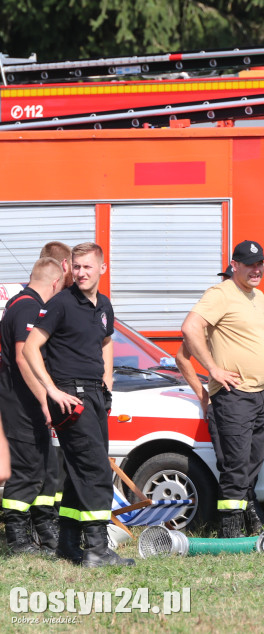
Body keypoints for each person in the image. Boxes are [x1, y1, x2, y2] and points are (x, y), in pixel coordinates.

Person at [22, 243, 134, 567]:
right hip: (70, 396)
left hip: (96, 395)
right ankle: (97, 550)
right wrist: (52, 391)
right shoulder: (60, 304)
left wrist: (108, 378)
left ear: (102, 268)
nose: (81, 273)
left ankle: (69, 545)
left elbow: (107, 341)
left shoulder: (103, 306)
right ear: (69, 268)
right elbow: (30, 349)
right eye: (77, 267)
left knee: (78, 471)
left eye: (88, 267)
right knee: (97, 470)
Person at [181, 240, 264, 538]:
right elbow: (190, 328)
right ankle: (230, 533)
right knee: (235, 466)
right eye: (250, 264)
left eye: (261, 264)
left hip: (260, 395)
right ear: (235, 265)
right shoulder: (221, 294)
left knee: (253, 464)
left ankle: (249, 519)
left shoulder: (257, 297)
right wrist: (213, 371)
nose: (257, 270)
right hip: (234, 396)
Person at [0, 257, 65, 555]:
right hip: (21, 403)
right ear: (55, 282)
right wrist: (44, 400)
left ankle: (44, 531)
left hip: (25, 402)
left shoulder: (21, 303)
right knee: (27, 469)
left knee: (46, 467)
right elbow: (24, 357)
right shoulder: (27, 307)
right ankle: (17, 540)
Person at [175, 264, 233, 418]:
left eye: (229, 281)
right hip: (223, 399)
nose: (224, 285)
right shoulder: (211, 320)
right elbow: (182, 358)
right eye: (224, 280)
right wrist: (203, 395)